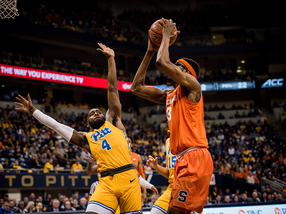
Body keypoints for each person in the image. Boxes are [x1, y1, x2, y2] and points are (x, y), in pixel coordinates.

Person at [15, 43, 141, 214]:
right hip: (106, 183)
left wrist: (111, 59)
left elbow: (112, 88)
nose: (96, 113)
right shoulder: (85, 138)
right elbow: (56, 126)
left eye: (98, 112)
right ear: (87, 124)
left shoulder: (114, 121)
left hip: (129, 179)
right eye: (92, 114)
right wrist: (34, 111)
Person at [130, 18, 213, 214]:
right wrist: (150, 51)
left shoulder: (193, 86)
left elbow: (162, 62)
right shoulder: (169, 95)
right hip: (181, 160)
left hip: (195, 156)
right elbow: (136, 88)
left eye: (179, 67)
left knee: (176, 212)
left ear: (188, 74)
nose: (174, 68)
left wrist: (165, 36)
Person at [146, 138, 175, 214]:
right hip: (172, 187)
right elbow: (170, 174)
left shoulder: (189, 137)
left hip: (187, 187)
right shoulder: (168, 141)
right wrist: (156, 167)